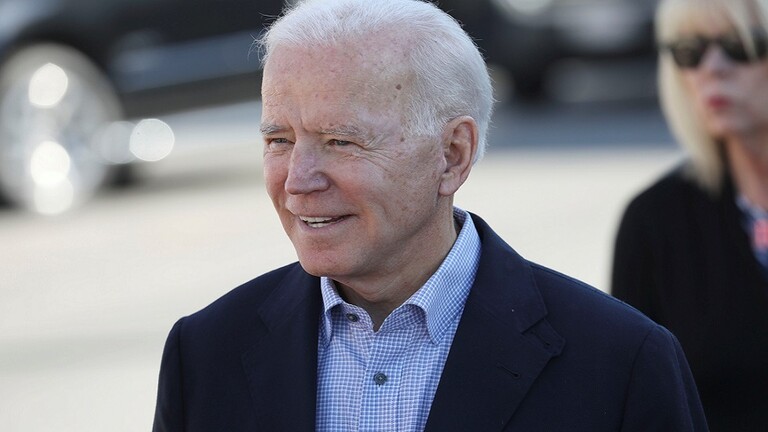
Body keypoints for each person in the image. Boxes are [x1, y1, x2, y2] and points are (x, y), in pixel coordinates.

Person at [153, 0, 707, 430]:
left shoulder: (620, 363)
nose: (298, 181)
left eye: (341, 141)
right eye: (279, 140)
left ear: (452, 155)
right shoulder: (204, 354)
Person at [611, 0, 768, 430]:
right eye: (689, 51)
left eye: (740, 45)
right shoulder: (655, 221)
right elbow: (631, 400)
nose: (712, 68)